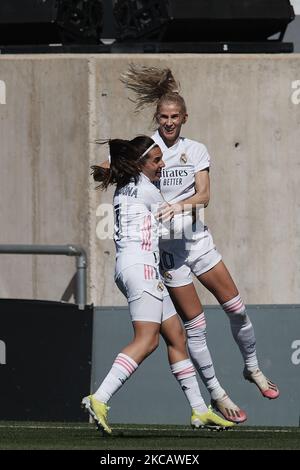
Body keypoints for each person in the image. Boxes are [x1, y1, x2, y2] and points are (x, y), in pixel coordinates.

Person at [119, 65, 280, 423]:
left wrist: (179, 204)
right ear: (156, 118)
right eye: (163, 117)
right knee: (197, 327)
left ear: (185, 117)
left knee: (236, 308)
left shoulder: (196, 150)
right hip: (169, 253)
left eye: (174, 117)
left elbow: (204, 196)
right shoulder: (147, 149)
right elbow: (120, 165)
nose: (168, 123)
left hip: (196, 241)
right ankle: (218, 394)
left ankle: (252, 368)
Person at [82, 135, 235, 434]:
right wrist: (194, 208)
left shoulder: (127, 185)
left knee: (177, 336)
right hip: (141, 268)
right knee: (148, 339)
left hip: (132, 267)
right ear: (141, 165)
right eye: (156, 160)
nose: (162, 164)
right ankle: (99, 398)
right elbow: (180, 211)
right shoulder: (147, 190)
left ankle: (200, 411)